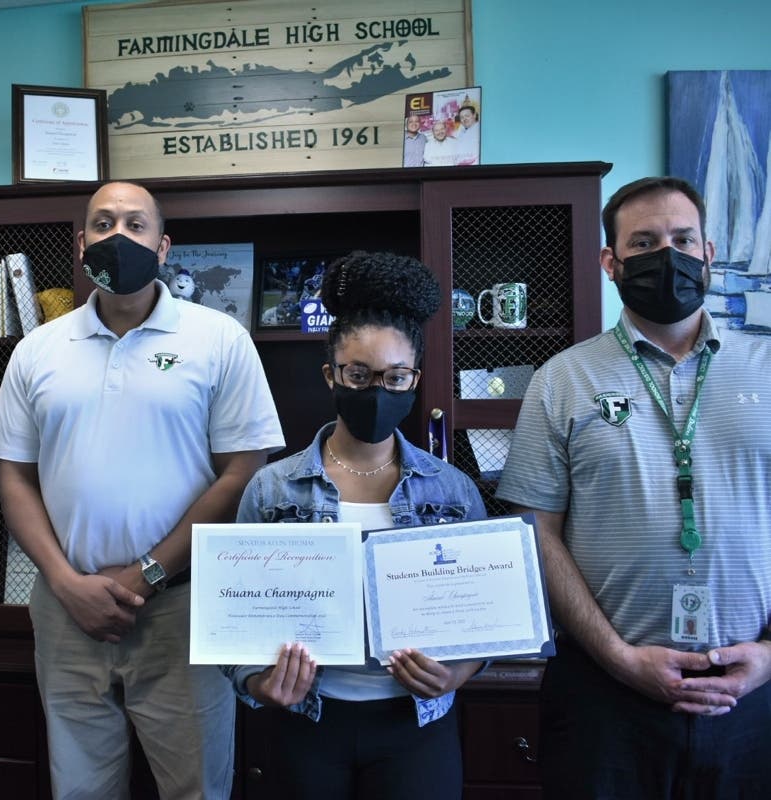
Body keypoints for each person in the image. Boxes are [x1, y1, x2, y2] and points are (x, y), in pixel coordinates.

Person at [0, 180, 285, 800]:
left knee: (196, 788)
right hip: (67, 608)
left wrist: (146, 574)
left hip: (182, 606)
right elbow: (14, 475)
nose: (117, 235)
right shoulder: (37, 350)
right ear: (82, 244)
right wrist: (66, 583)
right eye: (103, 223)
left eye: (135, 224)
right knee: (81, 789)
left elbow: (242, 471)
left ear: (163, 247)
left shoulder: (219, 339)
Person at [496, 176, 771, 799]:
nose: (667, 256)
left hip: (753, 694)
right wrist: (618, 658)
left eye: (683, 239)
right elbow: (535, 530)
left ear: (708, 252)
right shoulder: (561, 379)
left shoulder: (765, 368)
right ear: (610, 262)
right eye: (644, 243)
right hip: (604, 699)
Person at [222, 251, 488, 799]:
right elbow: (229, 619)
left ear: (414, 379)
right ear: (332, 375)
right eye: (359, 375)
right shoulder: (272, 489)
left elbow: (486, 616)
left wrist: (457, 672)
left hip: (416, 726)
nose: (377, 392)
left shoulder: (453, 490)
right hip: (307, 722)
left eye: (396, 377)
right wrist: (258, 681)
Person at [452, 97, 481, 165]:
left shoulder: (479, 130)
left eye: (467, 116)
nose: (464, 119)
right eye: (462, 117)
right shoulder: (462, 129)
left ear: (474, 115)